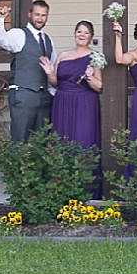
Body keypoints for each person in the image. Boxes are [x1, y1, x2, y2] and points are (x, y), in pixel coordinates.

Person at [40, 20, 103, 198]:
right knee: (62, 140)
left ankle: (87, 190)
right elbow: (56, 82)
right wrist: (50, 73)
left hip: (85, 103)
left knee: (84, 139)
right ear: (74, 34)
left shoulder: (95, 57)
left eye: (86, 32)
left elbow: (100, 86)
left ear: (91, 36)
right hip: (62, 102)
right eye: (79, 31)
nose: (81, 35)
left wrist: (90, 77)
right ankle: (62, 188)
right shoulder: (62, 55)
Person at [0, 0, 55, 143]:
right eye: (37, 14)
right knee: (20, 140)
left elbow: (53, 65)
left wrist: (51, 91)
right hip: (23, 94)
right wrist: (1, 19)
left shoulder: (48, 40)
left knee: (43, 142)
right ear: (29, 14)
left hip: (43, 96)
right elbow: (0, 40)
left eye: (44, 15)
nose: (40, 18)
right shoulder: (19, 34)